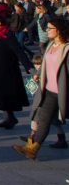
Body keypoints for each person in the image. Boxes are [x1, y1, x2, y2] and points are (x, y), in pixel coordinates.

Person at [13, 17, 69, 160]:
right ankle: (32, 148)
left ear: (59, 31)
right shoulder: (50, 46)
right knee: (43, 119)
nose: (47, 30)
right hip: (49, 90)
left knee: (49, 119)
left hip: (62, 91)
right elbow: (45, 65)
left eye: (50, 28)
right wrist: (38, 74)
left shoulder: (66, 49)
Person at [0, 14, 33, 129]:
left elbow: (19, 52)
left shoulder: (8, 36)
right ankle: (9, 117)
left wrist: (29, 68)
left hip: (8, 71)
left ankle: (10, 117)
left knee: (5, 94)